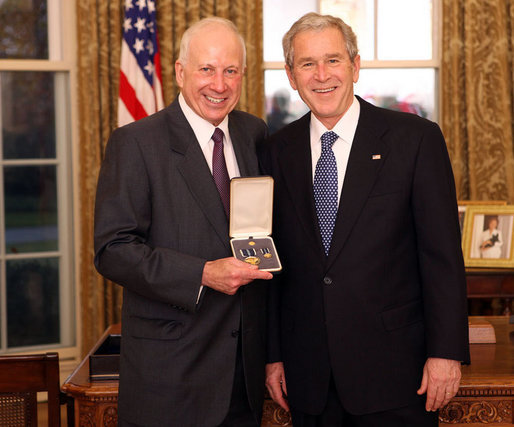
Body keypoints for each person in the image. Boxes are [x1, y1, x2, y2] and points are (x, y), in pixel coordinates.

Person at [258, 12, 470, 427]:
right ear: (291, 74)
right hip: (308, 378)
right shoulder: (274, 151)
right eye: (307, 64)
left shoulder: (415, 140)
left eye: (333, 60)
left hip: (398, 375)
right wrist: (273, 355)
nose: (322, 75)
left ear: (355, 66)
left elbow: (442, 257)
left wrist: (446, 353)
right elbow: (274, 268)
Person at [94, 17, 273, 427]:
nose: (220, 84)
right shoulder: (136, 143)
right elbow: (113, 250)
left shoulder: (253, 133)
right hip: (171, 376)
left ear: (243, 74)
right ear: (179, 71)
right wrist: (202, 273)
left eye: (231, 71)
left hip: (244, 375)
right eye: (206, 69)